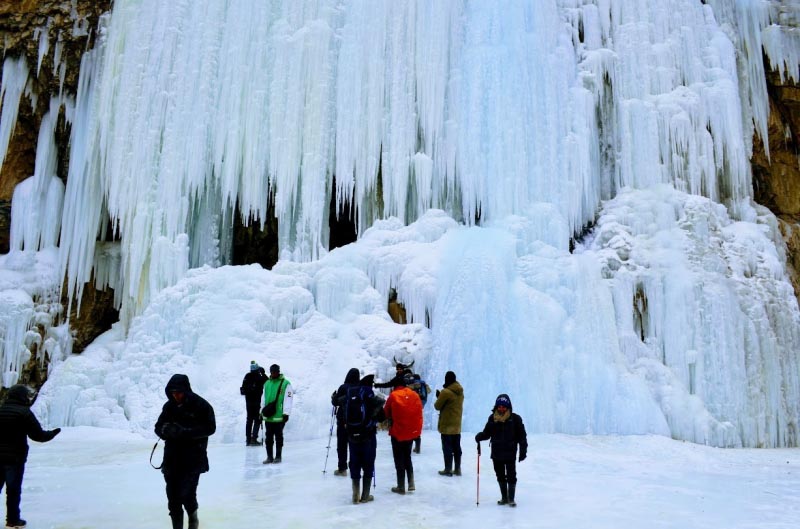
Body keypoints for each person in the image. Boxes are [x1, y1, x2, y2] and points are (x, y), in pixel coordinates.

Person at [154, 374, 216, 529]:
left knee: (187, 495)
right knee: (173, 498)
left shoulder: (201, 405)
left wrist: (184, 432)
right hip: (172, 460)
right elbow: (158, 427)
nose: (176, 396)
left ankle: (193, 521)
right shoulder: (169, 406)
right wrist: (165, 430)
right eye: (173, 393)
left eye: (179, 392)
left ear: (186, 390)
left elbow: (210, 428)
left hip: (193, 460)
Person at [0, 385, 61, 529]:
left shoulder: (1, 411)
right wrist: (52, 433)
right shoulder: (24, 413)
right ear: (22, 397)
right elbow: (38, 435)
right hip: (14, 459)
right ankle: (13, 520)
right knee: (13, 490)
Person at [474, 394, 528, 507]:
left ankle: (511, 499)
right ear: (496, 406)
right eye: (499, 406)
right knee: (500, 475)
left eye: (504, 406)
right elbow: (487, 433)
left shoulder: (515, 419)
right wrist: (480, 436)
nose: (501, 408)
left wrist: (523, 450)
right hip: (496, 453)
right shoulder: (492, 418)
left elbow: (522, 436)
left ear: (508, 407)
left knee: (511, 475)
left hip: (510, 453)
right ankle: (504, 498)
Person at [345, 374, 386, 504]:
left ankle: (355, 495)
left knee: (354, 462)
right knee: (368, 462)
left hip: (352, 435)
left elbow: (339, 405)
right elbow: (382, 417)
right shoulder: (370, 396)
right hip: (368, 435)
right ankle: (365, 495)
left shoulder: (351, 394)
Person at [383, 373, 423, 495]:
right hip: (411, 432)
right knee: (407, 457)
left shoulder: (393, 395)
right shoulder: (414, 394)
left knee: (398, 458)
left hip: (397, 432)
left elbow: (386, 412)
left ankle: (401, 486)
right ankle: (411, 483)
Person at [433, 370, 464, 476]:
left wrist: (439, 396)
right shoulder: (460, 391)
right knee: (456, 448)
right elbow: (452, 403)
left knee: (447, 448)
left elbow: (437, 406)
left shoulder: (445, 392)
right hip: (457, 425)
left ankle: (448, 469)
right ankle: (457, 469)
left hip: (447, 425)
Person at [331, 368, 361, 476]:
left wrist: (333, 396)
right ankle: (354, 467)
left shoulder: (343, 387)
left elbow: (335, 402)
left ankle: (342, 468)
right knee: (355, 445)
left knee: (342, 445)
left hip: (343, 421)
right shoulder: (360, 387)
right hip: (357, 423)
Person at [262, 364, 293, 464]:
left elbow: (288, 399)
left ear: (278, 371)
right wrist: (261, 411)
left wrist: (286, 413)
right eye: (272, 372)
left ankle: (278, 456)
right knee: (268, 437)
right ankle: (269, 457)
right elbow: (263, 399)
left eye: (275, 372)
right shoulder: (267, 383)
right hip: (268, 416)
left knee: (279, 437)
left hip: (279, 416)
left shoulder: (286, 383)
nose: (273, 373)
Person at [240, 361, 268, 446]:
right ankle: (253, 438)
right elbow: (267, 382)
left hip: (248, 402)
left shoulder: (247, 376)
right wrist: (263, 373)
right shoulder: (259, 377)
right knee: (257, 419)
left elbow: (243, 389)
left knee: (249, 420)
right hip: (256, 402)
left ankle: (248, 439)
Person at [409, 372, 431, 453]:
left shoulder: (414, 384)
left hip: (414, 405)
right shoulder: (424, 384)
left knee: (411, 425)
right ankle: (418, 447)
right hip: (421, 405)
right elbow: (429, 391)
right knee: (417, 425)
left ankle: (410, 446)